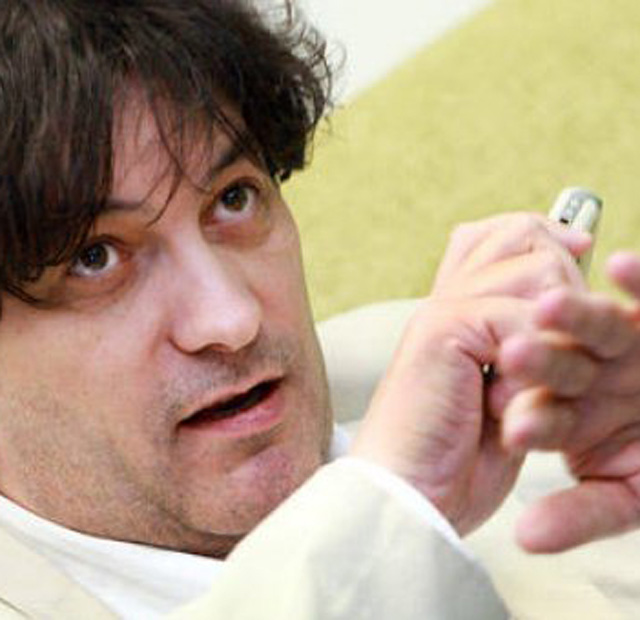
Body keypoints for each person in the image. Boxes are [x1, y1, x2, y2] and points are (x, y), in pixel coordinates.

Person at [1, 1, 640, 618]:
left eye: (233, 199)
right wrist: (387, 510)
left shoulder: (457, 374)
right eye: (94, 258)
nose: (232, 320)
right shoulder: (401, 477)